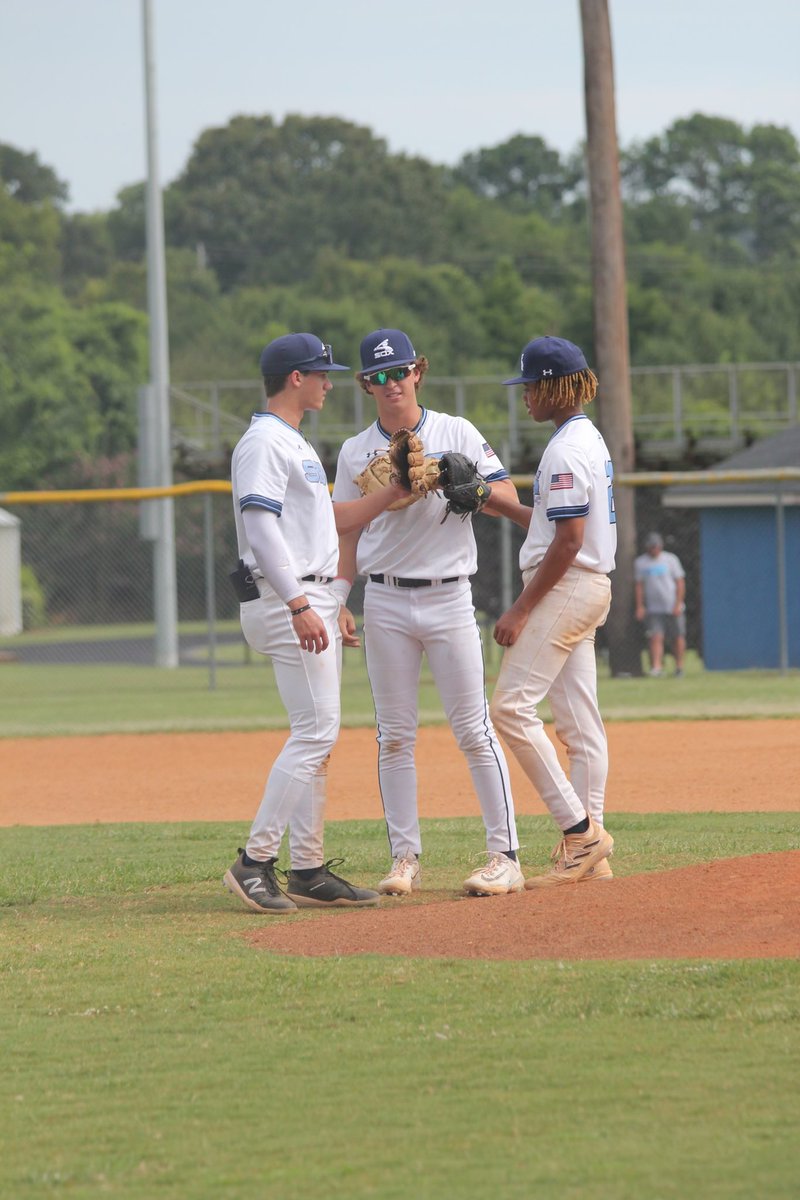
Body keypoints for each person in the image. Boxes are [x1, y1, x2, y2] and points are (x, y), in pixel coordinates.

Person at [331, 328, 524, 898]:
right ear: (366, 384)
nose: (392, 383)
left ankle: (504, 855)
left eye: (401, 371)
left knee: (472, 728)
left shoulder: (455, 431)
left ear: (419, 371)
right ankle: (404, 858)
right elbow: (344, 526)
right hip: (385, 598)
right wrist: (340, 597)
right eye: (379, 375)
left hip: (448, 595)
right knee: (394, 736)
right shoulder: (353, 450)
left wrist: (473, 489)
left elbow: (507, 495)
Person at [222, 332, 408, 914]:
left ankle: (306, 867)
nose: (331, 381)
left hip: (311, 594)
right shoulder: (263, 443)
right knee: (317, 732)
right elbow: (260, 529)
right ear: (295, 379)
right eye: (321, 372)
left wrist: (396, 492)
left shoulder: (293, 441)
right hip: (286, 600)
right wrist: (300, 604)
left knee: (317, 735)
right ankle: (254, 863)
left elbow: (325, 522)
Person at [486, 336, 616, 886]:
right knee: (580, 728)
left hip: (564, 586)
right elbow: (548, 528)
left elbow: (566, 542)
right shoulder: (586, 439)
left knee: (510, 709)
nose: (525, 397)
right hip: (585, 586)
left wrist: (520, 609)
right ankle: (590, 854)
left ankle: (580, 830)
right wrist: (489, 499)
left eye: (530, 387)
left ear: (553, 386)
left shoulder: (564, 449)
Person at [634, 532, 686, 677]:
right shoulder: (641, 562)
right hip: (654, 607)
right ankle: (657, 667)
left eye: (655, 547)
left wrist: (678, 603)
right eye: (650, 547)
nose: (653, 550)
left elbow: (680, 582)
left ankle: (679, 666)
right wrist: (640, 606)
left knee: (678, 636)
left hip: (672, 605)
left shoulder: (670, 560)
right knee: (656, 636)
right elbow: (639, 585)